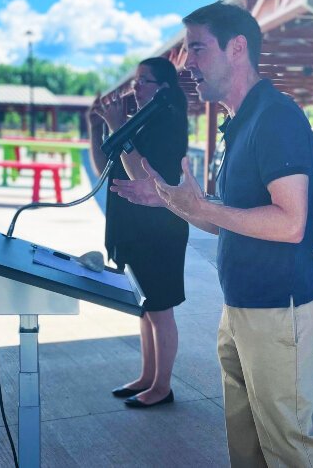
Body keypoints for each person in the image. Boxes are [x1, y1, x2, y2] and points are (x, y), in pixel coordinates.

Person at [111, 2, 313, 467]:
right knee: (247, 442)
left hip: (277, 309)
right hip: (240, 307)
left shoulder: (276, 117)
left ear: (237, 48)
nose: (186, 63)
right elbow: (223, 218)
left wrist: (201, 204)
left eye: (196, 48)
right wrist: (176, 202)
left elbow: (291, 223)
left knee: (289, 446)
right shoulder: (241, 121)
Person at [88, 57, 189, 408]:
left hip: (159, 231)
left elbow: (142, 181)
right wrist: (96, 128)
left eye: (143, 81)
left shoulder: (168, 123)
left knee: (160, 309)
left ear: (162, 88)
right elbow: (106, 171)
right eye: (135, 80)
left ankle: (162, 386)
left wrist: (120, 127)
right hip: (131, 230)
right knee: (144, 309)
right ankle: (148, 376)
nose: (135, 87)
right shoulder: (138, 123)